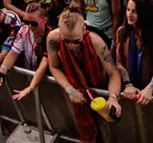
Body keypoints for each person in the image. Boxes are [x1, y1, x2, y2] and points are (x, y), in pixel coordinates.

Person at [46, 8, 123, 143]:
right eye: (66, 41)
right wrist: (69, 89)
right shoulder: (53, 38)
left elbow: (114, 73)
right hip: (77, 95)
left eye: (76, 41)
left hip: (100, 92)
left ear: (84, 29)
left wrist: (113, 98)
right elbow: (54, 66)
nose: (70, 46)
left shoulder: (96, 42)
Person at [114, 0, 153, 105]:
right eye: (128, 10)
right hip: (129, 91)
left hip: (152, 93)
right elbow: (119, 63)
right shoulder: (122, 32)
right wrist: (128, 84)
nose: (129, 14)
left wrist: (150, 88)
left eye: (135, 11)